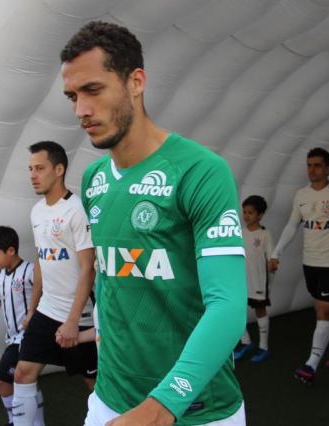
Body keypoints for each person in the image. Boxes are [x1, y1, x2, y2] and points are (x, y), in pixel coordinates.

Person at [62, 21, 248, 425]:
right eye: (72, 96)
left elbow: (228, 306)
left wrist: (163, 404)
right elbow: (109, 282)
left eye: (93, 90)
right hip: (111, 400)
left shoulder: (200, 171)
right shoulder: (95, 179)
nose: (81, 110)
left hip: (195, 409)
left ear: (136, 81)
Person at [11, 141, 97, 426]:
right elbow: (41, 262)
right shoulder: (36, 211)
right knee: (23, 373)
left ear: (59, 170)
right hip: (48, 311)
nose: (33, 175)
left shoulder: (77, 210)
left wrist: (73, 321)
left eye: (40, 168)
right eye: (30, 169)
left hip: (79, 317)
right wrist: (33, 308)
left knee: (97, 387)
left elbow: (88, 270)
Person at [271, 147, 329, 384]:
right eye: (309, 165)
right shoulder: (301, 195)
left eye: (318, 165)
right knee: (327, 309)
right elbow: (292, 225)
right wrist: (276, 252)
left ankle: (311, 365)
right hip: (309, 262)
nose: (312, 170)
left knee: (323, 311)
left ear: (328, 168)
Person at [0, 226, 44, 426]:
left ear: (11, 250)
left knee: (3, 379)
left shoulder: (30, 271)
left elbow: (46, 294)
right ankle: (30, 422)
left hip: (27, 338)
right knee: (23, 382)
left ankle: (17, 421)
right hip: (12, 338)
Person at [233, 195, 276, 363]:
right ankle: (246, 342)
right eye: (244, 212)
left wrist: (273, 264)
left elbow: (272, 257)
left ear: (260, 215)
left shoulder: (265, 235)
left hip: (258, 281)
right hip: (241, 281)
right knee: (236, 311)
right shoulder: (239, 233)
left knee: (260, 311)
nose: (246, 216)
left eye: (250, 212)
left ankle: (263, 347)